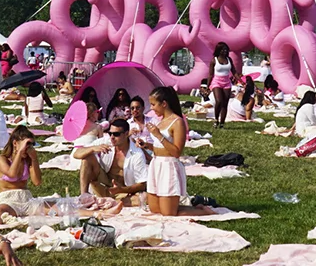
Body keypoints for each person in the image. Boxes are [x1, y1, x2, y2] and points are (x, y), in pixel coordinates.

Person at [137, 86, 210, 216]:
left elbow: (176, 152)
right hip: (156, 164)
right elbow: (160, 147)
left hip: (168, 166)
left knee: (168, 213)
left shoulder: (177, 122)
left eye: (153, 104)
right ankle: (183, 206)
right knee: (155, 209)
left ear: (164, 104)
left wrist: (158, 135)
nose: (152, 108)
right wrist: (146, 145)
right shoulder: (160, 121)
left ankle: (202, 210)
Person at [75, 117, 148, 202]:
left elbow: (142, 184)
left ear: (126, 134)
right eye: (110, 133)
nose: (112, 137)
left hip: (123, 192)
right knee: (87, 158)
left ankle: (110, 202)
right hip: (102, 186)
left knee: (146, 198)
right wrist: (92, 148)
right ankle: (84, 196)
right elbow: (77, 154)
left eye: (116, 134)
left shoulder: (137, 154)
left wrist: (121, 189)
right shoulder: (106, 142)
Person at [0, 126, 43, 226]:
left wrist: (34, 159)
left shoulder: (27, 160)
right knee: (0, 213)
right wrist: (19, 153)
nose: (28, 148)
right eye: (26, 145)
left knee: (57, 207)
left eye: (31, 145)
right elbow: (12, 174)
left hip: (26, 198)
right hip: (8, 199)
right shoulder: (2, 159)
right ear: (15, 143)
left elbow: (37, 182)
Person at [208, 42, 238, 129]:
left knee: (225, 103)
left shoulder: (229, 59)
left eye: (226, 49)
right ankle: (216, 119)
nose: (225, 51)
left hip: (226, 82)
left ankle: (222, 123)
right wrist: (207, 85)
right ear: (218, 50)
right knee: (219, 101)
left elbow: (234, 72)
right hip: (216, 82)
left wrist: (240, 80)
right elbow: (210, 74)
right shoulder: (214, 60)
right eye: (222, 49)